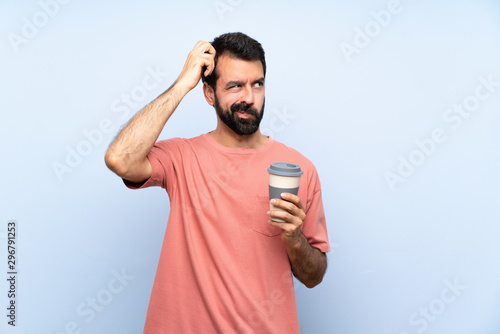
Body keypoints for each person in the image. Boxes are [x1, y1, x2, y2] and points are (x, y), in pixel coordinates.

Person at [105, 32, 330, 334]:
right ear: (209, 94)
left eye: (257, 84)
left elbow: (314, 275)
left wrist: (294, 239)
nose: (249, 97)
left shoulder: (299, 169)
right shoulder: (182, 157)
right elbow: (120, 158)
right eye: (235, 86)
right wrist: (183, 84)